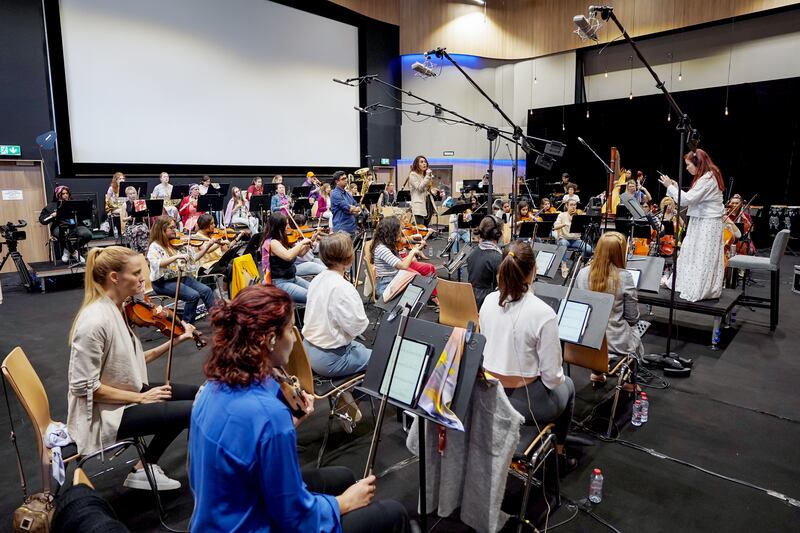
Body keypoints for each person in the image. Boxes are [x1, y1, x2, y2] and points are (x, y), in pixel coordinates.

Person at [189, 285, 411, 532]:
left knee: (344, 477)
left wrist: (291, 424)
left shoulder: (211, 387)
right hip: (253, 524)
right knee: (393, 514)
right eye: (290, 331)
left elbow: (246, 450)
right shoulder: (269, 415)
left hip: (217, 513)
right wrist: (342, 503)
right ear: (271, 340)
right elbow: (295, 517)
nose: (295, 339)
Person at [67, 245, 199, 491]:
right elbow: (84, 387)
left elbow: (130, 360)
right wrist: (140, 398)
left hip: (124, 396)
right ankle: (204, 476)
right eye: (136, 272)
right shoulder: (95, 320)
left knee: (199, 394)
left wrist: (174, 341)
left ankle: (143, 467)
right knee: (194, 410)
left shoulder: (117, 309)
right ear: (114, 278)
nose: (143, 278)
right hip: (104, 413)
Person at [478, 241, 576, 465]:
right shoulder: (543, 313)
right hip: (527, 402)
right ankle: (559, 454)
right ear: (534, 270)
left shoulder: (488, 302)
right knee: (568, 385)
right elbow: (552, 378)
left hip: (490, 396)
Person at [575, 232, 643, 385]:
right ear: (619, 253)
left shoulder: (582, 273)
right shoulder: (624, 277)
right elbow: (633, 317)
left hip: (585, 341)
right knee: (635, 330)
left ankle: (597, 373)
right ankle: (629, 384)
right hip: (615, 343)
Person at [658, 149, 726, 301]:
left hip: (707, 223)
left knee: (702, 255)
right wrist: (675, 187)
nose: (687, 168)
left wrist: (670, 187)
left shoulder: (708, 178)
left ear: (698, 164)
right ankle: (686, 283)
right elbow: (693, 197)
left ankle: (700, 288)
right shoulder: (706, 177)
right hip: (701, 221)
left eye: (688, 165)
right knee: (692, 252)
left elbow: (687, 200)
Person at [303, 232, 371, 379]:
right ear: (349, 257)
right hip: (329, 359)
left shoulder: (318, 278)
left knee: (361, 348)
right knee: (381, 359)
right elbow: (357, 327)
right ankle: (353, 395)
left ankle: (347, 397)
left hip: (307, 349)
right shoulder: (343, 287)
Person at [147, 217, 217, 324]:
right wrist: (176, 257)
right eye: (172, 228)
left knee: (206, 290)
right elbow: (157, 263)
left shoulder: (175, 244)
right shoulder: (155, 246)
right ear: (162, 229)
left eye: (175, 227)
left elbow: (194, 258)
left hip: (180, 277)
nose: (175, 230)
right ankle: (186, 326)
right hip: (162, 282)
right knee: (193, 296)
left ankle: (218, 320)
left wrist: (207, 247)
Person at [370, 216, 437, 300]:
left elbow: (400, 262)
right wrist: (412, 252)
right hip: (387, 284)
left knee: (421, 278)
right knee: (419, 282)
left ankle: (430, 298)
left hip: (395, 278)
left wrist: (416, 249)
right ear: (391, 232)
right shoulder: (382, 249)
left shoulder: (387, 244)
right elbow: (403, 266)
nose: (401, 233)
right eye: (398, 231)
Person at [260, 213, 315, 303]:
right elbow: (288, 256)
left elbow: (301, 253)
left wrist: (310, 242)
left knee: (315, 291)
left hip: (292, 278)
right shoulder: (272, 242)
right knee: (311, 297)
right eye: (286, 224)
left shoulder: (283, 239)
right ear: (279, 227)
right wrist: (301, 243)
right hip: (279, 282)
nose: (288, 227)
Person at [39, 185, 93, 264]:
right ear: (58, 194)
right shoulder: (51, 206)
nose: (65, 195)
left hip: (75, 226)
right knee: (61, 233)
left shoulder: (73, 204)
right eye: (63, 193)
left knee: (88, 234)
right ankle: (75, 253)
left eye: (67, 193)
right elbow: (42, 220)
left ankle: (68, 250)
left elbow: (82, 215)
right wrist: (52, 215)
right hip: (59, 227)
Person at [466, 216, 503, 308]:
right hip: (487, 304)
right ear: (497, 234)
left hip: (471, 301)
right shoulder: (497, 258)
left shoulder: (473, 252)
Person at [554, 199, 593, 276]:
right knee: (563, 243)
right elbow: (555, 227)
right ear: (566, 205)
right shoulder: (562, 215)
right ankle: (564, 267)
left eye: (574, 205)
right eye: (571, 205)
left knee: (589, 249)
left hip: (576, 240)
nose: (573, 207)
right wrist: (564, 224)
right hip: (564, 239)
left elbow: (586, 227)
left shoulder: (579, 215)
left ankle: (583, 264)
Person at [407, 155, 436, 226]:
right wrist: (427, 176)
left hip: (428, 205)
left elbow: (426, 190)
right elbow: (420, 188)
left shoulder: (424, 176)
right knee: (421, 229)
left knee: (425, 228)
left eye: (425, 162)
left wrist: (434, 191)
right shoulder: (413, 175)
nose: (424, 163)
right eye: (421, 162)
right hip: (419, 206)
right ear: (417, 164)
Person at [330, 170, 361, 237]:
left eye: (346, 178)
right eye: (343, 179)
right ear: (337, 182)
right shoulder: (335, 194)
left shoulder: (347, 194)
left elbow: (357, 205)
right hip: (342, 229)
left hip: (351, 227)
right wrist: (353, 209)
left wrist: (355, 208)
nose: (346, 180)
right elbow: (348, 208)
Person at [121, 186, 150, 253]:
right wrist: (130, 217)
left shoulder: (140, 203)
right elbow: (123, 219)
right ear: (127, 195)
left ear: (136, 194)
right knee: (134, 231)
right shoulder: (125, 204)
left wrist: (144, 214)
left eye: (134, 193)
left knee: (143, 229)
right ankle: (135, 250)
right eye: (130, 194)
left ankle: (144, 250)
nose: (132, 195)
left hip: (140, 223)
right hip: (131, 225)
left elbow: (145, 218)